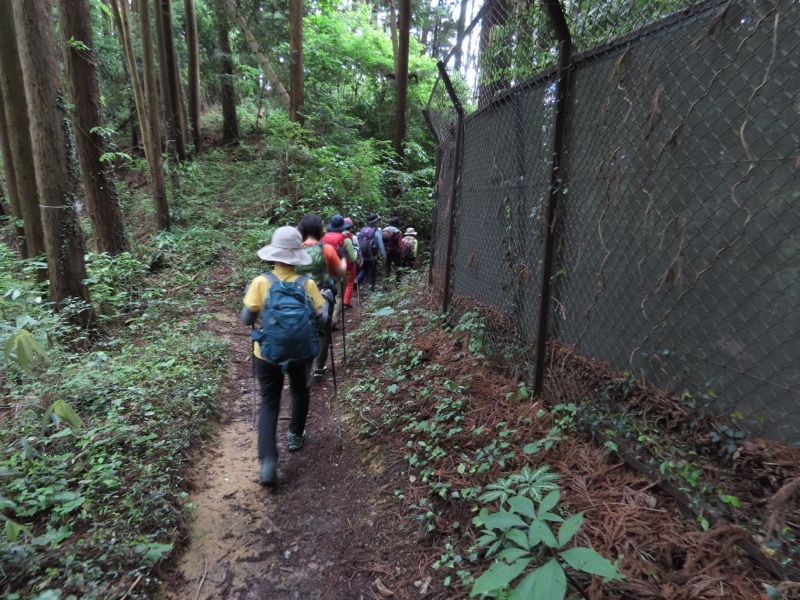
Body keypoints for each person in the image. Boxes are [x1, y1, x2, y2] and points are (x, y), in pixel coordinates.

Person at [240, 226, 327, 486]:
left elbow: (246, 318)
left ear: (274, 255)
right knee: (300, 391)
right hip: (301, 353)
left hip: (266, 354)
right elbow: (322, 320)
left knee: (269, 403)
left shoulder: (260, 282)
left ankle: (268, 462)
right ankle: (295, 435)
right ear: (296, 257)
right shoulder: (308, 284)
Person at [295, 213, 346, 379]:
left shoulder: (295, 249)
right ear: (319, 229)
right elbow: (340, 272)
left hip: (298, 295)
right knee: (323, 331)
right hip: (322, 295)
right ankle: (319, 366)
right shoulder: (326, 249)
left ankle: (302, 364)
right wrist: (344, 258)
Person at [321, 214, 358, 329]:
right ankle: (333, 322)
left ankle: (324, 317)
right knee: (338, 296)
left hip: (325, 271)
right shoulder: (345, 240)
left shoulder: (324, 238)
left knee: (325, 294)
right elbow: (353, 258)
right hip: (340, 271)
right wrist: (356, 250)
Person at [356, 213, 386, 292]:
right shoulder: (376, 231)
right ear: (376, 222)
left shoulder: (362, 231)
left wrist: (359, 257)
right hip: (372, 256)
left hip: (363, 256)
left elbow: (358, 243)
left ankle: (356, 281)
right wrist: (384, 256)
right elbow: (381, 245)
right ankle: (371, 290)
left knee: (364, 270)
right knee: (372, 273)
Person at [342, 217, 361, 309]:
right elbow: (358, 249)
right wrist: (359, 260)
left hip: (339, 262)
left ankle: (338, 301)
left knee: (340, 282)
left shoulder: (338, 235)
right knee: (350, 283)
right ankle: (346, 302)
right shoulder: (353, 237)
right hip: (350, 262)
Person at [382, 216, 404, 286]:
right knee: (398, 267)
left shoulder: (384, 230)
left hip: (386, 251)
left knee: (386, 267)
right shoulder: (398, 232)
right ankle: (398, 284)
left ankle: (385, 285)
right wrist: (402, 253)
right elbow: (400, 245)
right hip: (395, 252)